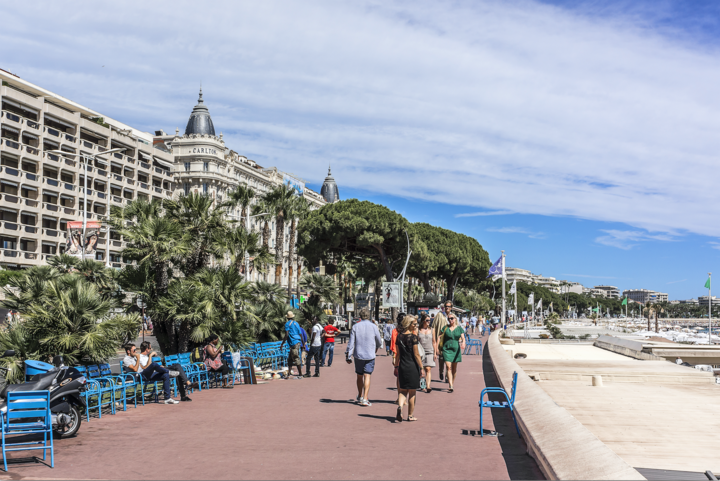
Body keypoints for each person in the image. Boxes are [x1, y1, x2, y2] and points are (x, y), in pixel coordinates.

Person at [345, 307, 382, 407]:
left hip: (359, 355)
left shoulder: (356, 326)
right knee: (367, 375)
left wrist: (348, 355)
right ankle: (365, 399)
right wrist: (377, 347)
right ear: (369, 315)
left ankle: (360, 396)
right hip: (370, 354)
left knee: (359, 375)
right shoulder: (373, 326)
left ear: (360, 316)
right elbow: (379, 340)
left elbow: (351, 342)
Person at [394, 315, 422, 422]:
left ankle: (400, 407)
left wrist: (396, 366)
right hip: (412, 366)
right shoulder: (413, 337)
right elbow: (416, 355)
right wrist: (421, 367)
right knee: (412, 392)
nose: (415, 326)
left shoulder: (399, 336)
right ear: (409, 324)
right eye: (414, 324)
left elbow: (397, 355)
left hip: (402, 366)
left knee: (403, 390)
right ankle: (410, 415)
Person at [439, 308, 466, 393]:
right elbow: (439, 336)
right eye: (449, 319)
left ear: (455, 319)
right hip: (446, 349)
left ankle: (452, 383)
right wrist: (437, 346)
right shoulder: (445, 328)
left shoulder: (459, 328)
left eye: (451, 318)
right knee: (448, 367)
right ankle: (450, 385)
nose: (450, 320)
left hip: (456, 350)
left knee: (454, 369)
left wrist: (463, 343)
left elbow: (463, 338)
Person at [281, 311, 305, 379]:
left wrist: (282, 344)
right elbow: (300, 334)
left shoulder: (287, 324)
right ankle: (288, 374)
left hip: (293, 342)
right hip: (297, 342)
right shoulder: (296, 323)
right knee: (290, 359)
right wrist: (303, 343)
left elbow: (286, 335)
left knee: (296, 357)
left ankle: (300, 374)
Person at [417, 314, 436, 393]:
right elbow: (416, 342)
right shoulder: (418, 330)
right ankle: (423, 385)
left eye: (429, 320)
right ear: (423, 321)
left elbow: (434, 342)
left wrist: (435, 353)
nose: (429, 322)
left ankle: (428, 386)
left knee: (428, 369)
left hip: (429, 351)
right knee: (421, 370)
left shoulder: (432, 330)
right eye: (427, 320)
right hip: (421, 352)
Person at [432, 308, 448, 381]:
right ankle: (441, 371)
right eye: (446, 306)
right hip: (441, 340)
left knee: (449, 360)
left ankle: (447, 376)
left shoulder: (452, 316)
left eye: (449, 306)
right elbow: (434, 327)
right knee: (441, 359)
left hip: (449, 341)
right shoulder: (439, 315)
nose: (447, 308)